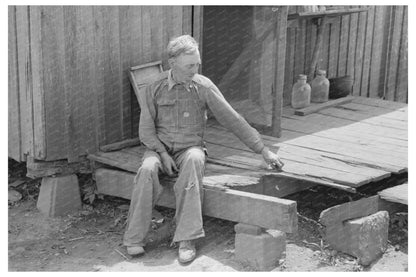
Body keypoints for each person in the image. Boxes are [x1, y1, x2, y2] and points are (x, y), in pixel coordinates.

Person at [123, 35, 284, 264]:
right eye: (190, 65)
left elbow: (233, 120)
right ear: (173, 64)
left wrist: (263, 150)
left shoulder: (203, 86)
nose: (195, 69)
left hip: (191, 148)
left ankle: (187, 239)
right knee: (147, 169)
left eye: (197, 63)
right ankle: (134, 238)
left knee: (194, 161)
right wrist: (162, 154)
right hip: (159, 150)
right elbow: (146, 131)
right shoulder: (155, 87)